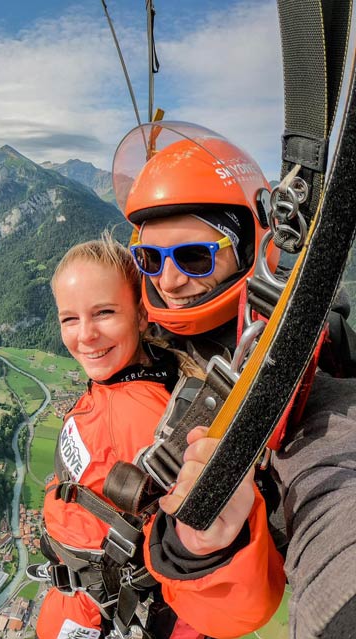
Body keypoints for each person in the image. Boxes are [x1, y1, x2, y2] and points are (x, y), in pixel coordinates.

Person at [114, 121, 356, 639]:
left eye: (195, 256)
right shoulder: (139, 334)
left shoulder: (293, 362)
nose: (169, 280)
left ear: (250, 243)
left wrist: (201, 545)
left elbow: (334, 473)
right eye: (149, 259)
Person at [34, 235, 284, 639]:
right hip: (92, 607)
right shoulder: (130, 380)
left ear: (141, 315)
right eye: (70, 319)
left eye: (104, 313)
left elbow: (210, 579)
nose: (86, 335)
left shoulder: (147, 421)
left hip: (111, 619)